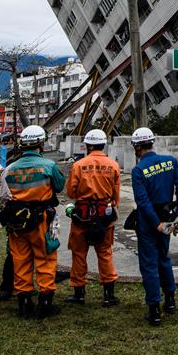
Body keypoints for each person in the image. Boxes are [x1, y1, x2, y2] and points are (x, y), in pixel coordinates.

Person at [0, 125, 66, 319]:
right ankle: (45, 303)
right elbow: (60, 186)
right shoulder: (49, 166)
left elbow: (5, 196)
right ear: (41, 143)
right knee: (46, 258)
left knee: (20, 261)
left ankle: (24, 303)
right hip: (44, 219)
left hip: (17, 222)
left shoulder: (9, 169)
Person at [131, 127, 178, 327]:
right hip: (168, 215)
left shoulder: (138, 170)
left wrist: (156, 224)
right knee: (164, 257)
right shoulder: (170, 162)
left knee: (149, 263)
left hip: (149, 222)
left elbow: (142, 201)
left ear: (137, 147)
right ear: (152, 142)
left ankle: (154, 309)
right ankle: (170, 301)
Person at [65, 128, 122, 307]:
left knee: (79, 253)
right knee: (105, 253)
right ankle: (108, 295)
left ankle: (79, 293)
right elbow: (116, 196)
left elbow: (71, 191)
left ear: (88, 145)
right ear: (104, 144)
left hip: (82, 215)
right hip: (103, 215)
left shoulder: (79, 165)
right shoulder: (113, 165)